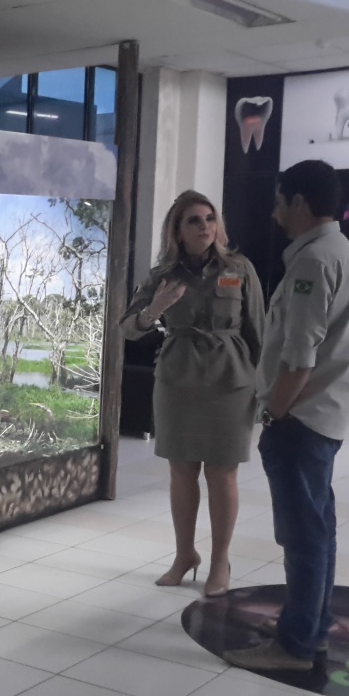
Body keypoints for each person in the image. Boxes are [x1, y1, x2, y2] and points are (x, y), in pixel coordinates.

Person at [225, 160, 349, 672]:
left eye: (280, 201)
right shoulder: (342, 253)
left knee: (302, 537)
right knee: (318, 530)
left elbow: (300, 358)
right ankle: (312, 628)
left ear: (300, 202)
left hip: (302, 420)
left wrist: (275, 413)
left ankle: (295, 646)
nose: (275, 212)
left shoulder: (313, 262)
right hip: (326, 416)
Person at [122, 191, 265, 598]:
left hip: (230, 380)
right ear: (178, 231)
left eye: (210, 218)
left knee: (222, 473)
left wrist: (263, 390)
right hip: (178, 379)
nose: (205, 226)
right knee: (181, 471)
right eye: (194, 220)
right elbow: (128, 328)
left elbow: (259, 332)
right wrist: (155, 309)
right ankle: (184, 555)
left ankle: (220, 560)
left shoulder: (239, 269)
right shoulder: (162, 275)